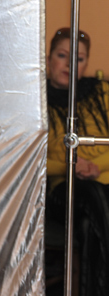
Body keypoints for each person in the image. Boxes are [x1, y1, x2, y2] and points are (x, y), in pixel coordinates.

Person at [46, 27, 109, 296]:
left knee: (88, 225)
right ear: (49, 59)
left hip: (102, 183)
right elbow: (30, 157)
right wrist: (70, 164)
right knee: (92, 194)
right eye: (62, 55)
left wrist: (96, 166)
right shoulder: (35, 100)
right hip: (62, 190)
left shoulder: (102, 93)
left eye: (79, 59)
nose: (70, 64)